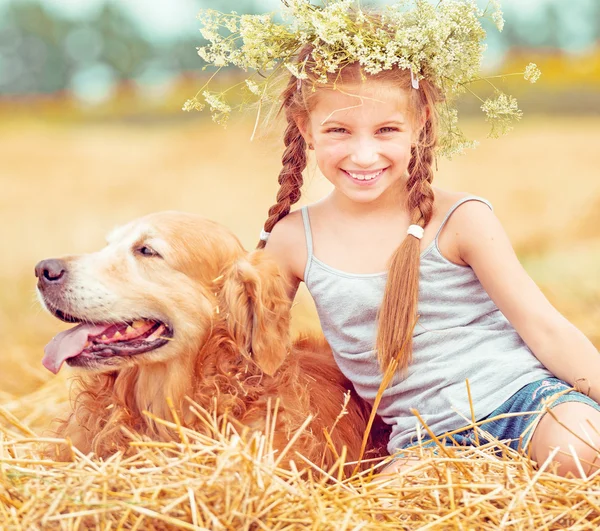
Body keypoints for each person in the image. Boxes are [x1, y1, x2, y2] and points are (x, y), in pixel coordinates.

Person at [193, 0, 600, 478]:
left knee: (581, 451)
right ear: (306, 129)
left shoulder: (461, 218)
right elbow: (243, 345)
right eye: (338, 130)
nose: (363, 155)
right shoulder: (292, 240)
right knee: (390, 508)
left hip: (526, 401)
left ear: (420, 123)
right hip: (424, 439)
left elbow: (545, 328)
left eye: (386, 130)